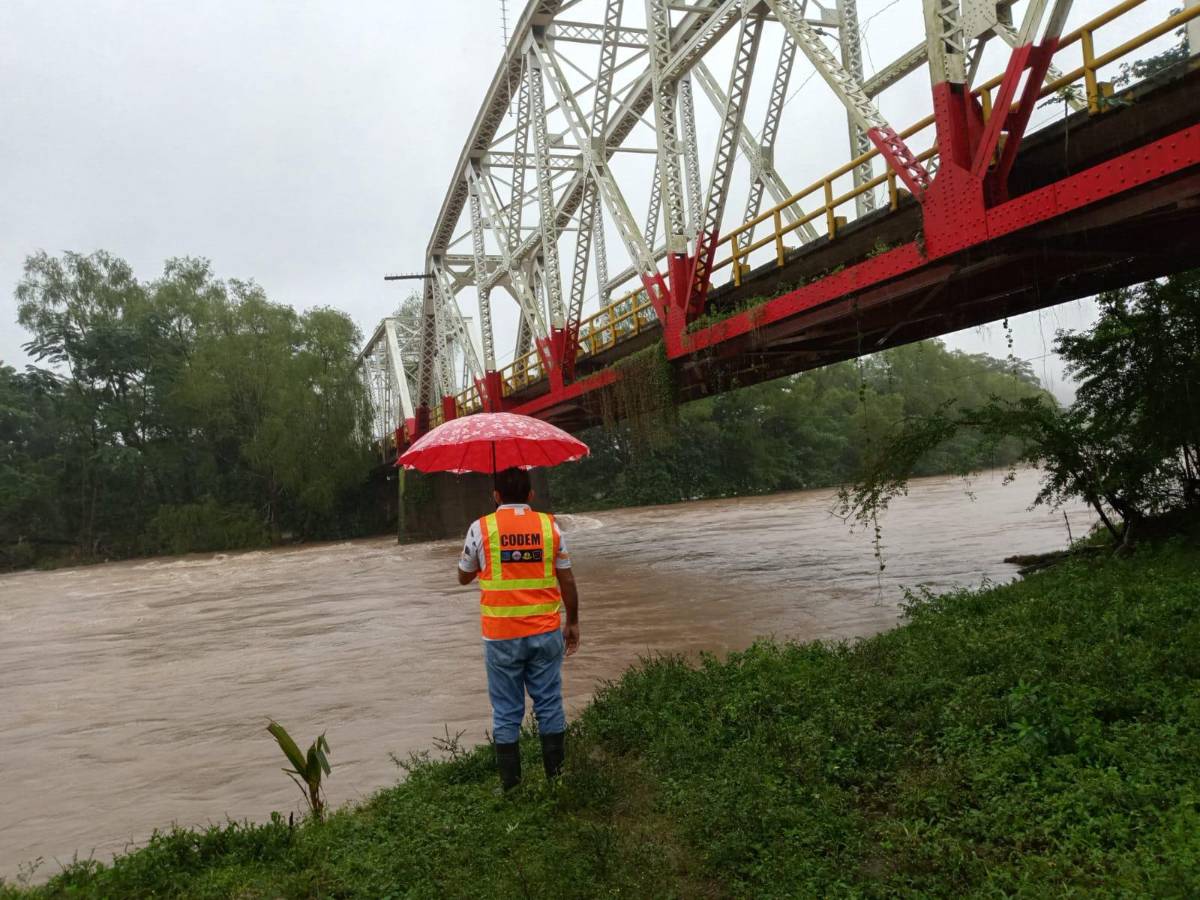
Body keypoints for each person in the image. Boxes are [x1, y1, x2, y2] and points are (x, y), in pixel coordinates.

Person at [457, 467, 580, 791]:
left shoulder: (480, 528)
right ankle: (556, 780)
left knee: (507, 710)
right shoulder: (548, 525)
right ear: (530, 495)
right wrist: (574, 621)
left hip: (501, 637)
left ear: (496, 496)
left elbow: (463, 575)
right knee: (549, 703)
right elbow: (566, 577)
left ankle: (510, 786)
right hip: (545, 630)